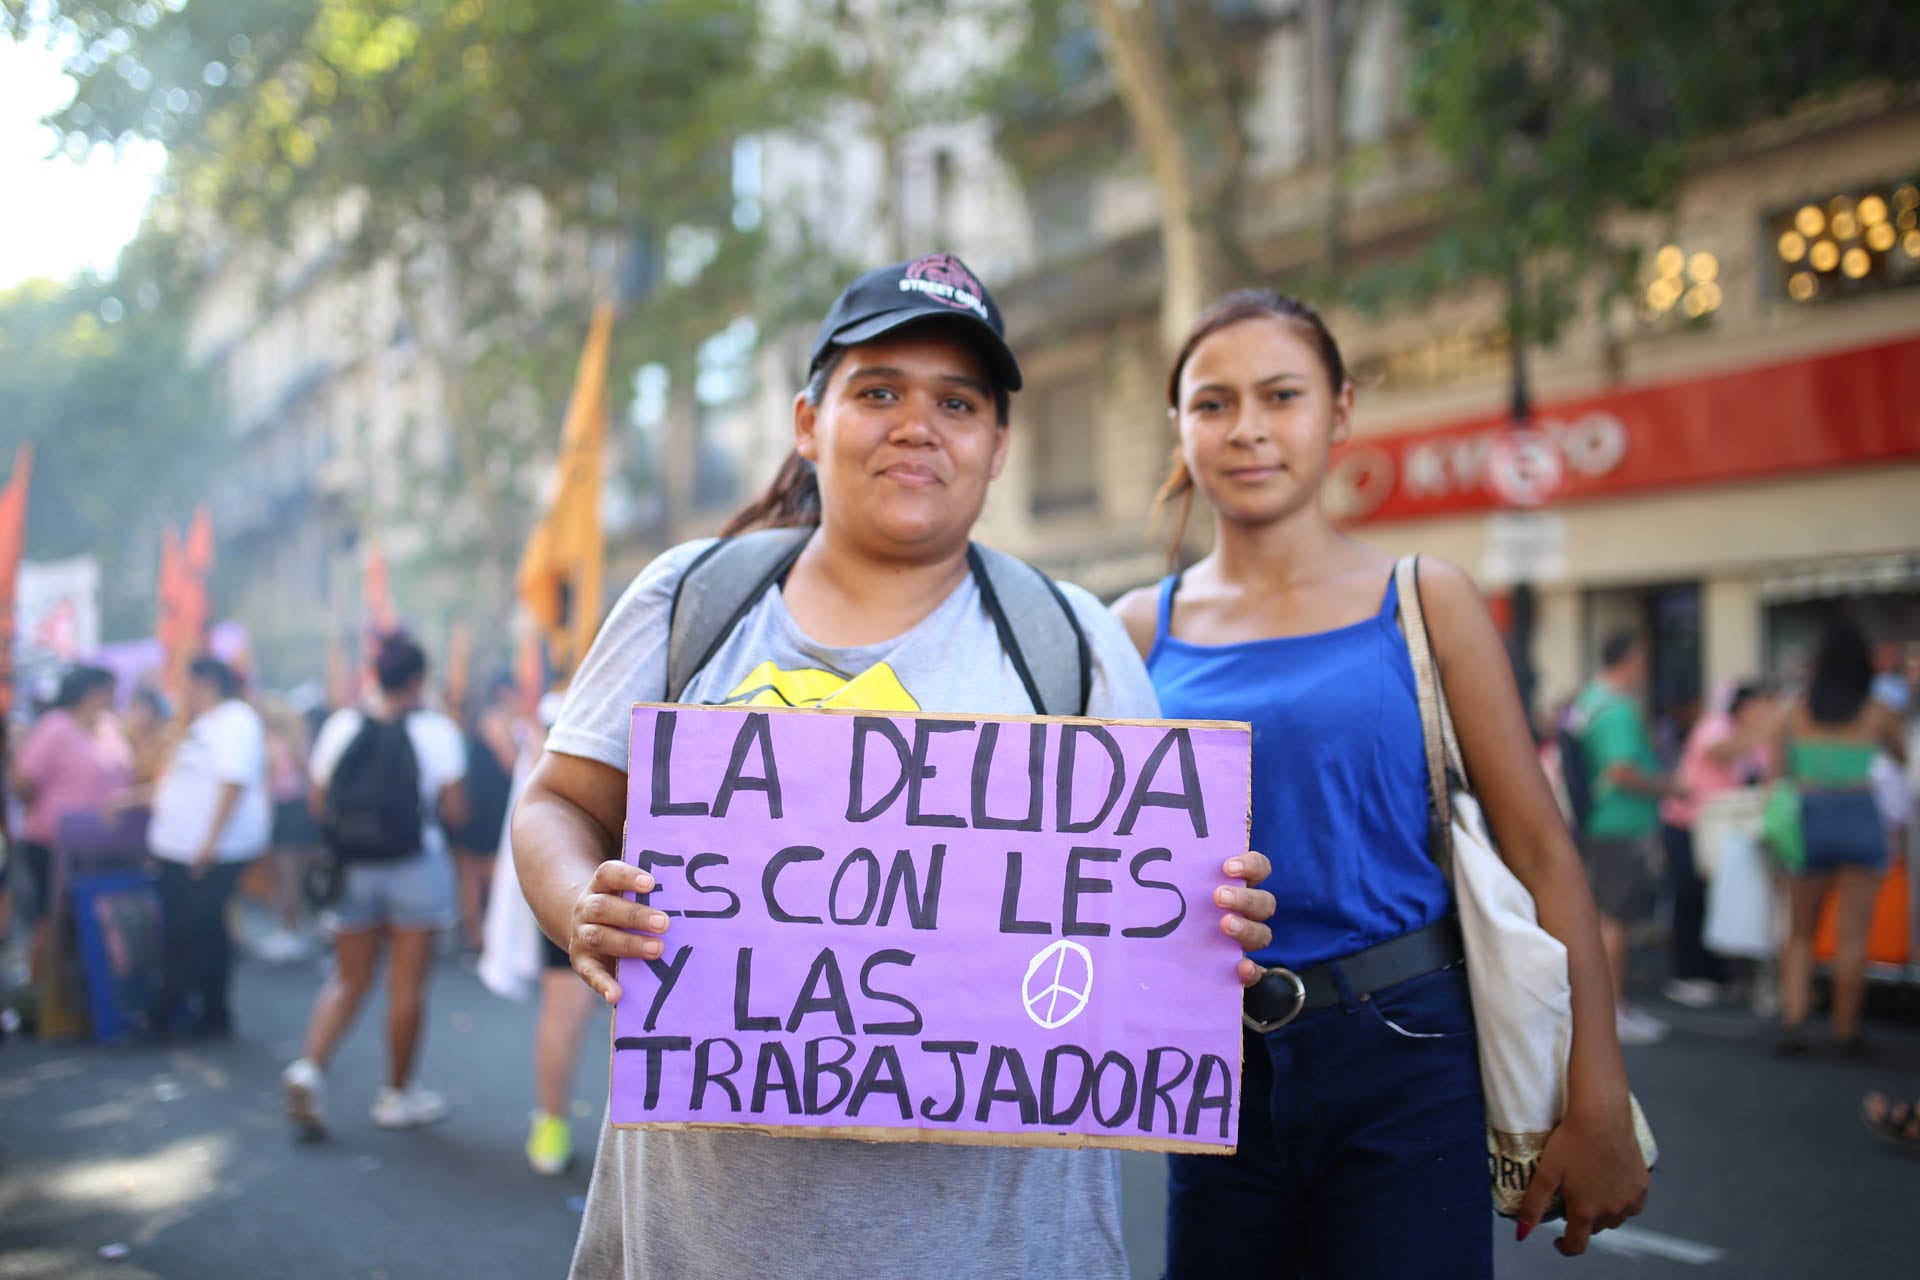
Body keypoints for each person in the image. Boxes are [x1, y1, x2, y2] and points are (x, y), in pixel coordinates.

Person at [510, 254, 1277, 1279]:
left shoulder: (1073, 642)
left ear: (998, 446)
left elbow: (1144, 934)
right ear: (806, 421)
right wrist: (577, 902)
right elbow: (558, 802)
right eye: (878, 391)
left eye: (957, 401)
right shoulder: (685, 600)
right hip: (703, 1242)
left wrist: (1202, 928)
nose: (917, 424)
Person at [1111, 289, 1647, 1275]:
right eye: (1214, 403)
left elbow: (1540, 849)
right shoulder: (1138, 629)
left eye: (1282, 394)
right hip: (1213, 1067)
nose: (1249, 428)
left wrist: (1597, 1096)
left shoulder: (1424, 595)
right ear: (1181, 426)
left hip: (1409, 1051)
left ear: (1341, 411)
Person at [282, 633, 469, 1135]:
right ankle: (397, 1095)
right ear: (417, 680)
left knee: (347, 978)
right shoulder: (437, 731)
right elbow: (456, 810)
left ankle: (309, 1069)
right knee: (406, 985)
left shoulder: (343, 725)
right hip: (416, 867)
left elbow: (318, 803)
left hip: (352, 869)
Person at [1775, 620, 1907, 1056]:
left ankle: (1794, 1020)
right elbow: (1902, 757)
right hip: (1858, 814)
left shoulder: (1795, 711)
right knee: (1853, 936)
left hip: (1809, 816)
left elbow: (1778, 774)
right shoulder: (1877, 713)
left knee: (1800, 932)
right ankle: (1844, 1030)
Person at [146, 656, 271, 1038]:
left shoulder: (235, 720)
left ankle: (165, 1015)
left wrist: (209, 843)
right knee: (205, 931)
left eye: (187, 683)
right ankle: (211, 1012)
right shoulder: (205, 723)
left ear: (207, 682)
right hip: (185, 850)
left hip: (210, 852)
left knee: (188, 931)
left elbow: (233, 783)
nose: (182, 692)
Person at [1572, 630, 1685, 1045]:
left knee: (1606, 918)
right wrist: (1670, 787)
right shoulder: (1617, 709)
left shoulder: (1588, 700)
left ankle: (1609, 1006)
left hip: (1600, 823)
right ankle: (1611, 1008)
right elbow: (1620, 770)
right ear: (1632, 658)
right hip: (1621, 825)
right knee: (1617, 921)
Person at [1657, 681, 1778, 1007]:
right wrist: (1762, 729)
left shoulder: (1759, 739)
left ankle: (1717, 973)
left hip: (1725, 829)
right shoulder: (1716, 725)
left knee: (1719, 901)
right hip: (1686, 822)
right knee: (1689, 898)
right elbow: (1718, 751)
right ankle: (1687, 974)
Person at [12, 665, 133, 987]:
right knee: (50, 920)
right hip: (51, 842)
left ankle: (83, 995)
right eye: (110, 690)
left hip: (100, 844)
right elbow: (23, 780)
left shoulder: (109, 727)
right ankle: (39, 997)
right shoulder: (55, 726)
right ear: (93, 692)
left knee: (92, 920)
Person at [452, 675, 518, 953]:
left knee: (471, 875)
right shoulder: (496, 721)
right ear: (505, 692)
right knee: (487, 876)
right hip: (488, 811)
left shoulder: (482, 718)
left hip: (476, 806)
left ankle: (476, 936)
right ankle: (484, 938)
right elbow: (513, 764)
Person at [256, 698, 318, 963]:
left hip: (286, 811)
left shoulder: (275, 744)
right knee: (293, 875)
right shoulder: (298, 742)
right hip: (298, 810)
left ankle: (290, 929)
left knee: (287, 874)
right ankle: (295, 926)